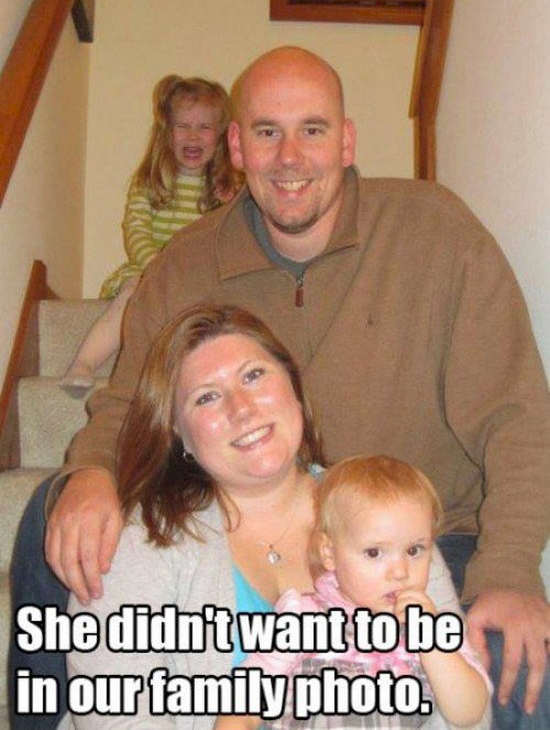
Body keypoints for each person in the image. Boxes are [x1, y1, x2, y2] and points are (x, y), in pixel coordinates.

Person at [10, 46, 549, 729]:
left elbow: (518, 416)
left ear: (346, 140)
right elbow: (129, 404)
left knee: (521, 678)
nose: (289, 157)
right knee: (55, 510)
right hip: (240, 521)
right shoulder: (185, 264)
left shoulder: (439, 235)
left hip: (417, 541)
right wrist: (91, 471)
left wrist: (509, 570)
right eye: (267, 132)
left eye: (312, 130)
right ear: (237, 147)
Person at [56, 307, 470, 729]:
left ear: (294, 386)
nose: (242, 408)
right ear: (179, 434)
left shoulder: (384, 512)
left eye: (254, 376)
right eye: (207, 397)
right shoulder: (141, 540)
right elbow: (115, 711)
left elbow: (464, 711)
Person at [216, 455, 492, 729]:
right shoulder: (304, 616)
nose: (400, 572)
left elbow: (467, 713)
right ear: (330, 554)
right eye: (374, 552)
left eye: (414, 550)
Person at [60, 75, 242, 397]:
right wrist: (155, 265)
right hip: (150, 269)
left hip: (199, 275)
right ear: (167, 132)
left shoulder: (228, 188)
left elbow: (234, 239)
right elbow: (136, 229)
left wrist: (232, 203)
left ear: (221, 135)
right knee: (131, 295)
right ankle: (84, 363)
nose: (193, 135)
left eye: (204, 127)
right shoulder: (150, 181)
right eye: (183, 126)